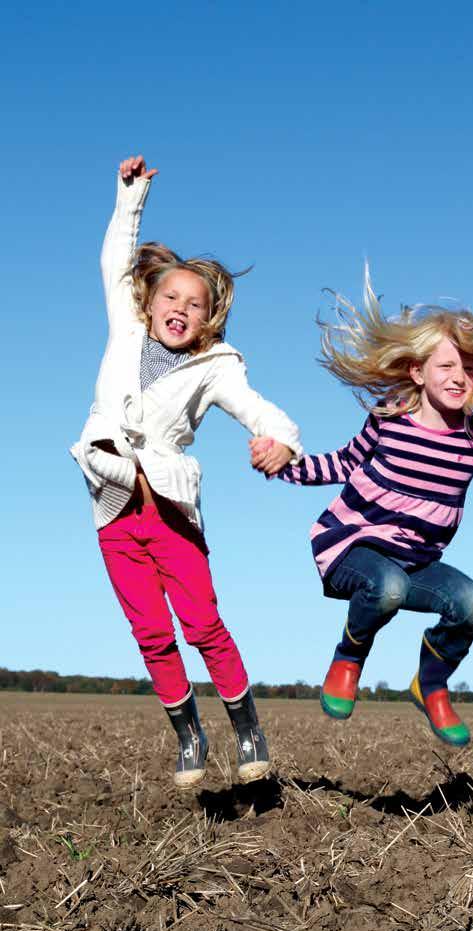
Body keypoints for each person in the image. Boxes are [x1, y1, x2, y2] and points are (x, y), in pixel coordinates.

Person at [251, 272, 473, 747]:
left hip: (417, 560)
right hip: (350, 546)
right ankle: (349, 656)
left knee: (472, 604)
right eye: (446, 366)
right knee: (387, 586)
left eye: (469, 368)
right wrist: (285, 464)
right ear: (417, 372)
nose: (458, 376)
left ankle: (430, 684)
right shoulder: (391, 418)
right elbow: (342, 463)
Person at [71, 155, 303, 788]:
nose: (179, 308)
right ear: (148, 302)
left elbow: (261, 411)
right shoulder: (125, 324)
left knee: (202, 624)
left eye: (194, 305)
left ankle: (248, 728)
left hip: (169, 512)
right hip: (114, 508)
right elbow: (113, 258)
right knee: (151, 633)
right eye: (170, 296)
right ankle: (188, 736)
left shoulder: (217, 366)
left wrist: (280, 440)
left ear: (208, 319)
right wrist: (131, 196)